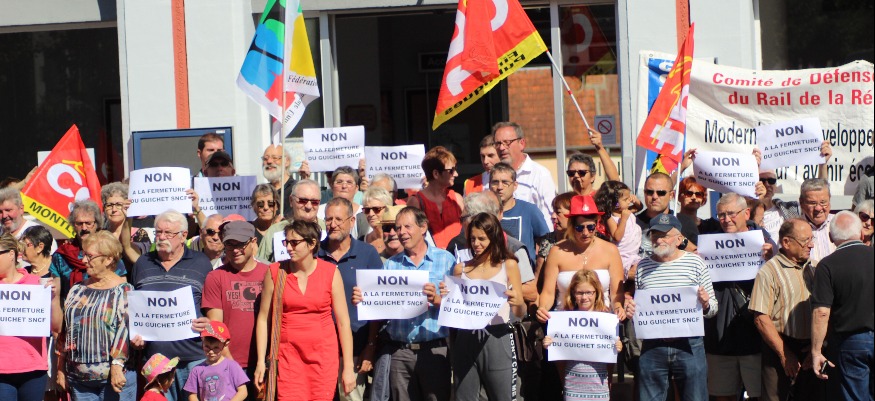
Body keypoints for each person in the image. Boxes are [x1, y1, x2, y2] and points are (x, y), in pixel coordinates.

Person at [350, 207, 455, 401]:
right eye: (398, 228)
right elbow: (380, 306)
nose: (401, 232)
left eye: (407, 226)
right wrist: (364, 301)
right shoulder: (391, 265)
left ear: (423, 227)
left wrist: (437, 300)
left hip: (434, 351)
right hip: (400, 352)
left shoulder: (446, 260)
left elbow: (457, 307)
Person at [254, 220, 355, 401]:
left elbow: (343, 323)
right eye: (286, 242)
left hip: (323, 358)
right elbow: (263, 319)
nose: (288, 248)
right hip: (288, 358)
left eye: (294, 242)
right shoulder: (276, 271)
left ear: (312, 243)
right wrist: (261, 361)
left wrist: (348, 367)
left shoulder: (330, 272)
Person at [624, 214, 718, 401]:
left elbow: (713, 309)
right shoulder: (642, 267)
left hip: (689, 344)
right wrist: (632, 311)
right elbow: (641, 307)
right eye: (655, 235)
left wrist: (706, 304)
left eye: (665, 235)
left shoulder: (695, 263)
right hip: (653, 345)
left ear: (679, 239)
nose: (659, 240)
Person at [439, 212, 526, 401]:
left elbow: (520, 312)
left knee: (503, 396)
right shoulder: (460, 268)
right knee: (464, 397)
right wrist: (443, 297)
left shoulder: (509, 265)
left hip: (498, 337)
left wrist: (518, 302)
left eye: (482, 239)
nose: (476, 244)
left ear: (494, 238)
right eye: (472, 239)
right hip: (466, 338)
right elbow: (452, 309)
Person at [130, 210, 214, 401]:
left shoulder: (201, 262)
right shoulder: (143, 263)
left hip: (194, 358)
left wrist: (208, 322)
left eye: (168, 233)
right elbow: (137, 307)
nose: (161, 237)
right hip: (156, 362)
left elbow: (212, 307)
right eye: (158, 232)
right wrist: (136, 335)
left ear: (183, 236)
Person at [701, 193, 775, 401]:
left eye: (731, 214)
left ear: (746, 213)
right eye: (721, 215)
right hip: (719, 335)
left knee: (759, 394)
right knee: (722, 395)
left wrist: (771, 259)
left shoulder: (764, 242)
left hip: (754, 335)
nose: (726, 219)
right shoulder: (709, 244)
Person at [317, 197, 383, 401]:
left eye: (338, 219)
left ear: (352, 221)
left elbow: (378, 305)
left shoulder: (367, 253)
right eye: (329, 219)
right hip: (320, 351)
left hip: (356, 349)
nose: (333, 224)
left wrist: (370, 346)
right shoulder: (314, 253)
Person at [60, 231, 136, 401]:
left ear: (108, 259)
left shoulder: (125, 290)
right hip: (78, 380)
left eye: (90, 256)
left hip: (114, 378)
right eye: (84, 255)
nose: (83, 260)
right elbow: (66, 330)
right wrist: (60, 367)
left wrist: (117, 365)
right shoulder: (76, 289)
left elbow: (124, 331)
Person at [749, 219, 819, 401]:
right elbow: (761, 318)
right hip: (779, 347)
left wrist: (816, 348)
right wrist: (784, 353)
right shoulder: (769, 272)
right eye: (805, 240)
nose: (811, 245)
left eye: (811, 239)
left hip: (811, 349)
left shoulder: (816, 268)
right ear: (786, 242)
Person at [202, 220, 269, 399]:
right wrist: (232, 368)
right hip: (229, 362)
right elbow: (217, 328)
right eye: (230, 245)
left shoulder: (269, 273)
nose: (235, 250)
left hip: (264, 362)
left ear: (253, 242)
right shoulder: (215, 277)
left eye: (240, 244)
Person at [811, 211, 874, 400]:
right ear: (861, 233)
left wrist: (816, 351)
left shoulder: (827, 265)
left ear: (831, 237)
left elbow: (821, 312)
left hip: (851, 343)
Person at [541, 269, 623, 401]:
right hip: (572, 387)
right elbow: (559, 356)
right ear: (573, 293)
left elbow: (610, 359)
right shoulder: (563, 320)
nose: (584, 297)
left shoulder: (607, 320)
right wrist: (549, 344)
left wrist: (617, 346)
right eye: (579, 293)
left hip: (599, 388)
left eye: (589, 292)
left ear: (597, 293)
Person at [537, 195, 626, 318]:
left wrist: (618, 307)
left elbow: (617, 293)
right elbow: (548, 293)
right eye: (579, 228)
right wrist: (542, 308)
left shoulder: (610, 250)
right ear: (572, 226)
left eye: (590, 227)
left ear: (597, 224)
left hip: (601, 320)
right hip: (565, 320)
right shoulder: (557, 251)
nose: (585, 233)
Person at [0, 233, 62, 401]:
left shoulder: (36, 284)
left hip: (33, 369)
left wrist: (54, 299)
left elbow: (56, 328)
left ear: (11, 254)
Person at [446, 191, 537, 302]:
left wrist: (495, 287)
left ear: (478, 218)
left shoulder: (514, 247)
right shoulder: (456, 245)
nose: (476, 244)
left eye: (462, 219)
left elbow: (531, 293)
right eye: (473, 239)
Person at [52, 200, 127, 303]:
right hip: (70, 309)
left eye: (88, 223)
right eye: (79, 223)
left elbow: (122, 291)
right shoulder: (61, 255)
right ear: (73, 225)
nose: (84, 228)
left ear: (97, 224)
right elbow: (55, 295)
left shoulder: (108, 252)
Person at [491, 122, 556, 228]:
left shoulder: (540, 175)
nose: (501, 148)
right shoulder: (491, 176)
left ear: (522, 143)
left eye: (507, 142)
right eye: (498, 143)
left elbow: (549, 217)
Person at [490, 162, 550, 266]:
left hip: (524, 273)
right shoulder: (484, 211)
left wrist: (538, 272)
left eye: (505, 182)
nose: (499, 187)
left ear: (515, 185)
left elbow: (547, 242)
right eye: (495, 182)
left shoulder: (529, 210)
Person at [406, 146, 465, 249]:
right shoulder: (416, 201)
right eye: (451, 170)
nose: (456, 174)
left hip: (456, 255)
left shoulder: (457, 198)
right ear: (436, 174)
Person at [256, 179, 324, 262]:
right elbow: (260, 264)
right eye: (303, 201)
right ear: (291, 200)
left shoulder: (328, 229)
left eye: (314, 202)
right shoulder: (275, 231)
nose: (309, 206)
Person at [635, 172, 699, 260]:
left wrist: (680, 239)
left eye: (661, 193)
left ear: (671, 195)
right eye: (649, 192)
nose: (654, 196)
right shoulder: (633, 223)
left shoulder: (685, 222)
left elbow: (698, 254)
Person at [183, 321, 249, 401]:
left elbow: (243, 391)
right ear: (202, 341)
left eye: (216, 348)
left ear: (226, 344)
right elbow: (192, 395)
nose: (211, 352)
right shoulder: (196, 370)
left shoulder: (232, 366)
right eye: (207, 347)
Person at [594, 180, 642, 279]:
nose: (629, 201)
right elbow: (617, 236)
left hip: (634, 253)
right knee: (635, 274)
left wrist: (636, 200)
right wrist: (623, 220)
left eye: (629, 198)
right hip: (623, 255)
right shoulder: (611, 218)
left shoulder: (626, 211)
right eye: (625, 199)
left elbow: (639, 207)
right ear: (614, 203)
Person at [101, 182, 149, 269]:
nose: (114, 209)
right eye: (109, 205)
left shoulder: (139, 233)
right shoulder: (100, 234)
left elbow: (137, 258)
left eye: (119, 205)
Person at [0, 187, 57, 253]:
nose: (4, 216)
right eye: (0, 212)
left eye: (8, 210)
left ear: (21, 209)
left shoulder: (39, 234)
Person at [261, 144, 309, 218]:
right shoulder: (263, 191)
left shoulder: (296, 189)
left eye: (275, 158)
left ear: (287, 161)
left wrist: (305, 180)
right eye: (265, 158)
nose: (269, 161)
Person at [536, 192, 575, 281]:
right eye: (553, 211)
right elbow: (538, 279)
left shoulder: (586, 240)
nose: (553, 216)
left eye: (558, 212)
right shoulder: (548, 240)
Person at [359, 187, 393, 254]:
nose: (371, 214)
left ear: (388, 209)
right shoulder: (361, 242)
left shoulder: (398, 239)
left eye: (376, 209)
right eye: (367, 210)